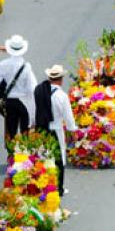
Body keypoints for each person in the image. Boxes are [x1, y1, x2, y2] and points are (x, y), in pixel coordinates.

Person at [34, 64, 76, 196]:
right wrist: (72, 131)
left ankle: (44, 185)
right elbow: (68, 117)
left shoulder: (40, 91)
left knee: (43, 157)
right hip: (55, 130)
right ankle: (58, 188)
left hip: (41, 129)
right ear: (61, 79)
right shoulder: (61, 96)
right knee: (58, 160)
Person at [0, 34, 37, 141]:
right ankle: (24, 154)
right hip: (24, 102)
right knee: (25, 132)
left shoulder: (2, 64)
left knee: (11, 133)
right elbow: (32, 87)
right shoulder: (26, 66)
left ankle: (11, 154)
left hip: (9, 102)